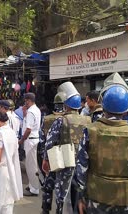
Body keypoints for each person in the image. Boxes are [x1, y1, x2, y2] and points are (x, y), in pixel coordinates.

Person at [76, 81, 128, 213]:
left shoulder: (90, 131)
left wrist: (81, 196)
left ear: (103, 107)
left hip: (97, 198)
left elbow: (81, 167)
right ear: (126, 109)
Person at [42, 82, 90, 214]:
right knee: (79, 193)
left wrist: (46, 160)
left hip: (65, 161)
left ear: (66, 105)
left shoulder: (61, 120)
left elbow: (49, 142)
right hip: (82, 164)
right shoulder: (87, 120)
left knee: (62, 193)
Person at [40, 92, 65, 214]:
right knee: (62, 187)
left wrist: (43, 158)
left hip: (51, 155)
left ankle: (45, 209)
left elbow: (42, 140)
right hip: (66, 156)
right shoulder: (69, 120)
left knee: (48, 185)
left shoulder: (47, 119)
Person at [18, 93, 41, 196]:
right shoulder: (36, 110)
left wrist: (22, 140)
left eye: (26, 101)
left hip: (30, 139)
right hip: (33, 139)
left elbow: (28, 129)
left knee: (31, 166)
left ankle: (34, 189)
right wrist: (24, 112)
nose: (25, 103)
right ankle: (32, 185)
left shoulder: (31, 111)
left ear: (28, 100)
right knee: (32, 164)